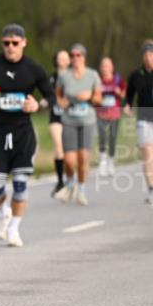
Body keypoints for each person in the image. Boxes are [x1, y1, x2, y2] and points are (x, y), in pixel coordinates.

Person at [0, 24, 54, 246]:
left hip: (22, 132)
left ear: (24, 43)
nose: (10, 47)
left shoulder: (34, 69)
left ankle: (14, 228)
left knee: (19, 183)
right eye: (6, 43)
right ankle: (3, 212)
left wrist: (38, 104)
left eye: (15, 43)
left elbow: (51, 97)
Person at [53, 43, 101, 206]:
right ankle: (70, 183)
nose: (75, 58)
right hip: (69, 120)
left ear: (84, 57)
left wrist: (89, 95)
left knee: (83, 158)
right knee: (69, 160)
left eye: (78, 55)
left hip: (87, 120)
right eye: (72, 55)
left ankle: (81, 189)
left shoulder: (92, 75)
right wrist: (62, 102)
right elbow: (58, 96)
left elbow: (99, 99)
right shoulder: (64, 76)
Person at [124, 40, 153, 205]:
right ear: (142, 57)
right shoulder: (136, 76)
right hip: (143, 118)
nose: (148, 58)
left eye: (151, 54)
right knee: (148, 154)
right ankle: (151, 189)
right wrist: (127, 106)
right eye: (146, 55)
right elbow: (129, 96)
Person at [96, 56, 126, 177]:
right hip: (101, 113)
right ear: (100, 68)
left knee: (112, 137)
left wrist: (119, 92)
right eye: (103, 65)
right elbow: (93, 97)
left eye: (108, 65)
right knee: (102, 137)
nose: (106, 68)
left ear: (112, 67)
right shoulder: (97, 80)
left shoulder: (118, 80)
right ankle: (102, 161)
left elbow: (125, 95)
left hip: (114, 113)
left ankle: (111, 161)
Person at [47, 50, 70, 196]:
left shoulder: (74, 76)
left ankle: (70, 179)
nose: (62, 60)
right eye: (59, 58)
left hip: (71, 117)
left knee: (69, 151)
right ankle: (60, 181)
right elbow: (48, 94)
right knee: (59, 148)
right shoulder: (52, 77)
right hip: (55, 117)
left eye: (64, 58)